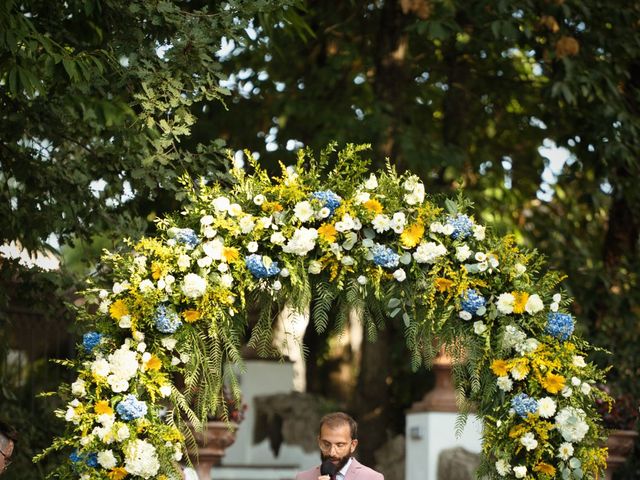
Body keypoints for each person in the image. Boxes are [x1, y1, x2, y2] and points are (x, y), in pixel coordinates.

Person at [296, 412, 383, 480]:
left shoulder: (372, 478)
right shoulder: (303, 478)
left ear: (353, 445)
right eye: (326, 444)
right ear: (319, 442)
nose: (332, 453)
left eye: (339, 445)